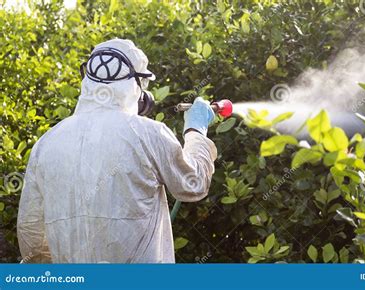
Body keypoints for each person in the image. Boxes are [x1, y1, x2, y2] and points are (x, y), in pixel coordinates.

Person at [16, 39, 217, 263]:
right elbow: (194, 183)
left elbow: (32, 238)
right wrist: (196, 130)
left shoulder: (46, 144)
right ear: (135, 86)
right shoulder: (148, 133)